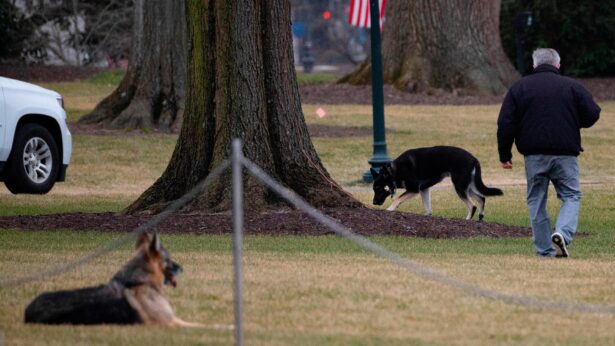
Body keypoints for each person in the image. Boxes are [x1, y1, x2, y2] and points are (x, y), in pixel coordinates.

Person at [497, 48, 600, 257]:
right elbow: (593, 113)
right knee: (571, 195)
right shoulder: (571, 86)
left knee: (536, 199)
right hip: (565, 154)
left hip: (534, 155)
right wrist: (572, 122)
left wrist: (504, 155)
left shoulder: (520, 88)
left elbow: (506, 123)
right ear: (558, 65)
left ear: (534, 65)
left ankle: (544, 251)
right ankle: (563, 232)